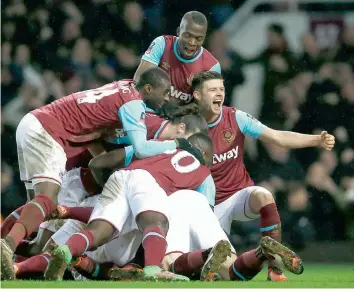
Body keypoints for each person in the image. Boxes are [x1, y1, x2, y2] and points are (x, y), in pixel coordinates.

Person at [0, 67, 197, 281]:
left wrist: (104, 160)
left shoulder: (123, 87)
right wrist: (176, 143)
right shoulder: (135, 105)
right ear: (148, 88)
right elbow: (141, 148)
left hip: (34, 122)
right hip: (49, 132)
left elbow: (96, 136)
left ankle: (11, 260)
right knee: (46, 200)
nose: (167, 98)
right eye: (165, 92)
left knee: (37, 218)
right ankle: (7, 247)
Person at [191, 71, 335, 281]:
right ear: (197, 95)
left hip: (238, 195)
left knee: (264, 195)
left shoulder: (236, 117)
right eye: (212, 89)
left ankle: (274, 268)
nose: (219, 94)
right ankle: (260, 252)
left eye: (221, 89)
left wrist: (316, 140)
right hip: (209, 207)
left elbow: (277, 137)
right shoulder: (186, 125)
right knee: (230, 273)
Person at [44, 133, 215, 281]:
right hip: (148, 182)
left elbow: (101, 162)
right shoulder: (204, 173)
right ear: (205, 155)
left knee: (98, 232)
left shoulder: (162, 145)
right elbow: (205, 216)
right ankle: (153, 269)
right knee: (156, 224)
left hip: (121, 175)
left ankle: (66, 251)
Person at [134, 11, 220, 104]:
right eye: (187, 35)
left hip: (183, 116)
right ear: (178, 31)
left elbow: (207, 108)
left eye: (198, 38)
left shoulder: (212, 67)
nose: (192, 42)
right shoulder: (162, 44)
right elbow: (139, 82)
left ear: (204, 38)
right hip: (151, 110)